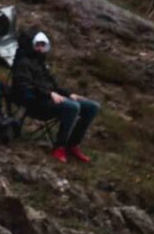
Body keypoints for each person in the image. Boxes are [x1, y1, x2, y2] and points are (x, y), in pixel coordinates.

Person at [10, 30, 99, 163]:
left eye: (42, 45)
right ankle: (59, 147)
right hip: (36, 103)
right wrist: (49, 94)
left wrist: (69, 94)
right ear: (30, 45)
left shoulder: (40, 63)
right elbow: (25, 87)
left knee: (92, 107)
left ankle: (73, 145)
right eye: (37, 45)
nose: (40, 48)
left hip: (50, 99)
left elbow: (53, 86)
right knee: (72, 107)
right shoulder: (22, 63)